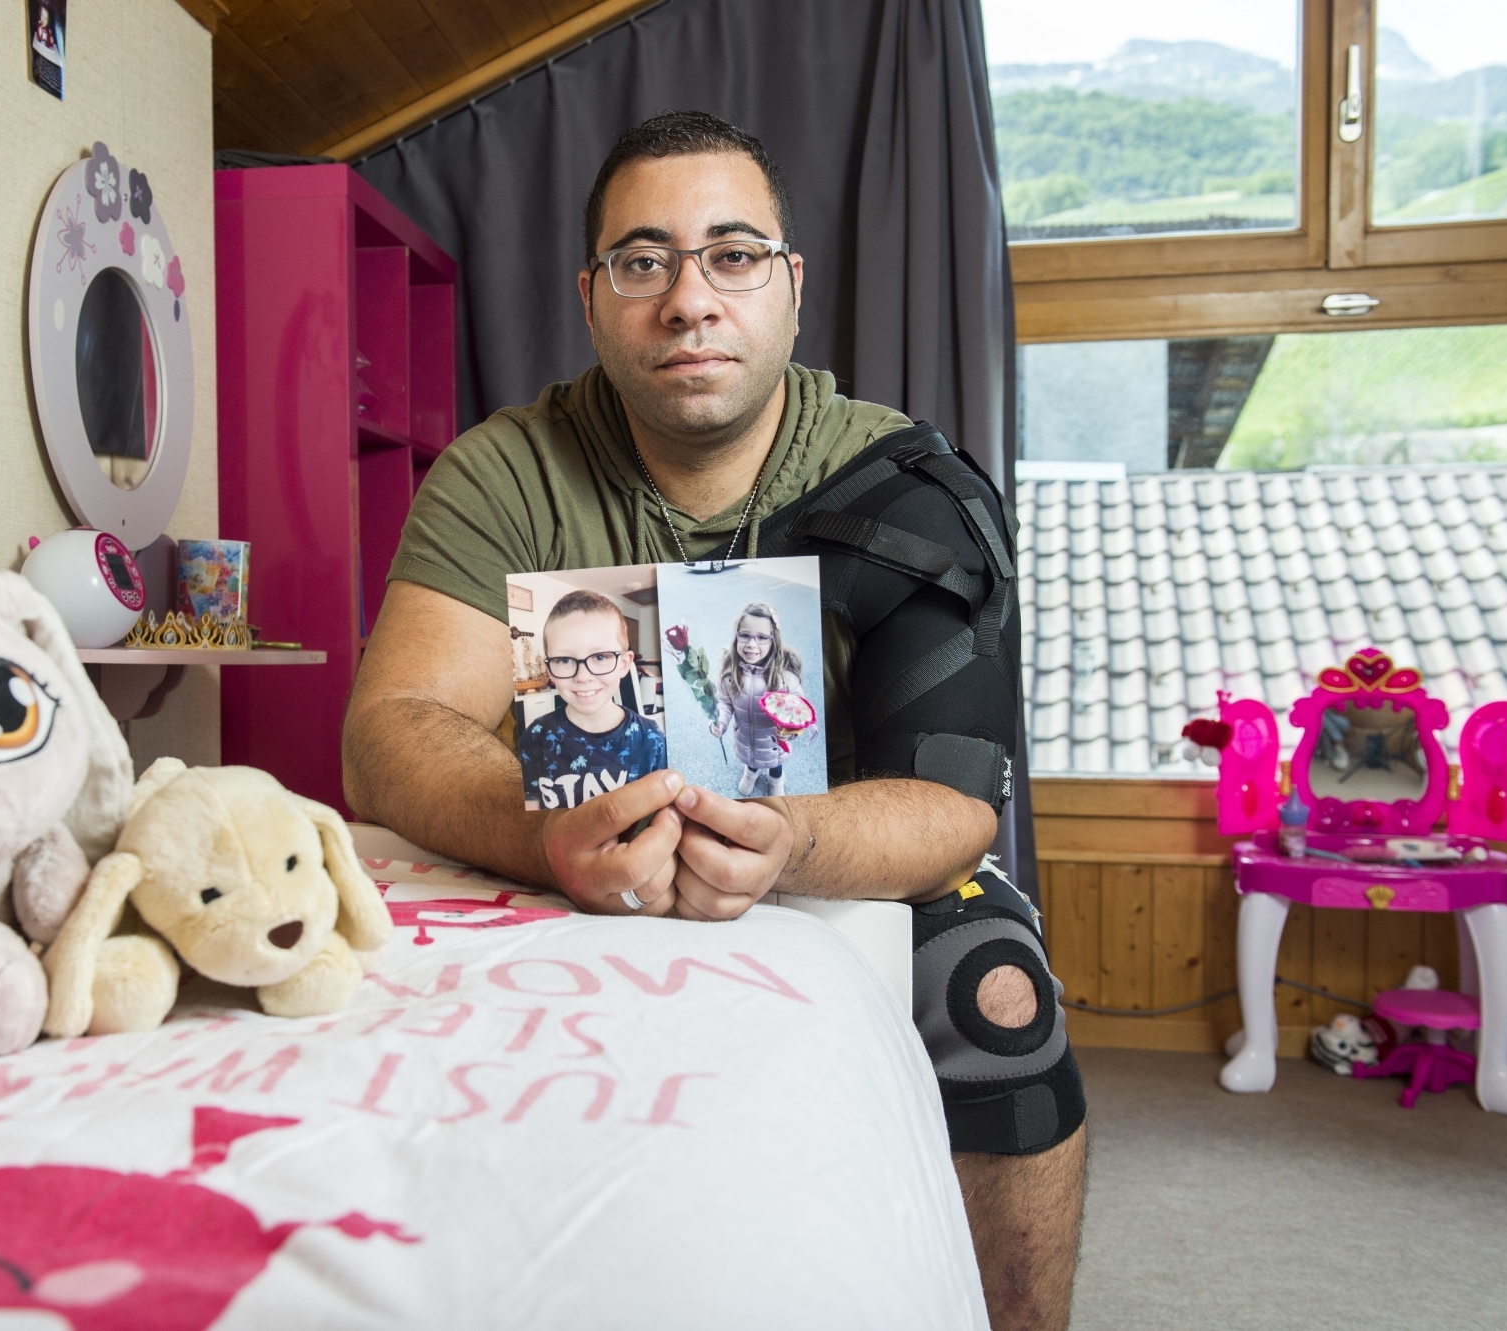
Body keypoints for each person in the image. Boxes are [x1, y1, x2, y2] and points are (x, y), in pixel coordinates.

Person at [343, 111, 1084, 1329]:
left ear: (789, 288)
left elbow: (953, 803)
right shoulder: (502, 469)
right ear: (591, 296)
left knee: (998, 997)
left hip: (832, 858)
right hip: (558, 852)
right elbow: (394, 725)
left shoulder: (905, 482)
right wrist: (545, 834)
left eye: (731, 255)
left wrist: (786, 840)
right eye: (643, 260)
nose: (689, 299)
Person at [518, 590, 668, 811]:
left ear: (624, 664)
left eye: (600, 657)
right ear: (549, 669)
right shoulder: (535, 736)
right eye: (565, 659)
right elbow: (530, 811)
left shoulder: (651, 739)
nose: (583, 677)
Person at [710, 601, 804, 797]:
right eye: (745, 635)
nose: (751, 644)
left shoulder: (784, 677)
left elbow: (798, 710)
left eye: (762, 638)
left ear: (773, 640)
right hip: (745, 738)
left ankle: (777, 779)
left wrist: (789, 730)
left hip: (773, 743)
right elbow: (724, 703)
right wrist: (721, 720)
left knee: (775, 763)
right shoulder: (729, 675)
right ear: (736, 637)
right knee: (751, 759)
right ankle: (750, 773)